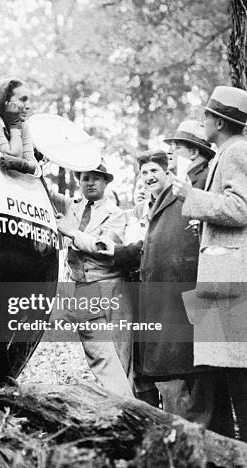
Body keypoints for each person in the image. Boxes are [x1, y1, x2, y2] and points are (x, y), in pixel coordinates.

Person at [100, 150, 219, 426]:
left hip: (183, 296)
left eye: (155, 171)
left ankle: (190, 433)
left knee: (188, 370)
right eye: (144, 173)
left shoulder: (181, 197)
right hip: (159, 300)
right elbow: (147, 247)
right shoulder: (152, 206)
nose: (149, 177)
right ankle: (177, 431)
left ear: (168, 172)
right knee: (169, 372)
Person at [173, 85, 247, 441]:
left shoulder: (237, 152)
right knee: (218, 373)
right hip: (222, 279)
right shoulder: (225, 152)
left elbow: (240, 208)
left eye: (205, 115)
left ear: (218, 120)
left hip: (231, 279)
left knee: (237, 374)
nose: (201, 120)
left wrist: (194, 198)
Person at [49, 163, 133, 398]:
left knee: (119, 354)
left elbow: (102, 247)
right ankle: (116, 408)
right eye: (85, 178)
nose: (90, 183)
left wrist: (71, 232)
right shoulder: (70, 206)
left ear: (106, 182)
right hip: (82, 288)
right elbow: (43, 189)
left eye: (97, 178)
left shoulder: (116, 214)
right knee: (98, 355)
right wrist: (33, 161)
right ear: (79, 181)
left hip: (111, 287)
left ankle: (129, 409)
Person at [0, 78, 41, 176]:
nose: (28, 106)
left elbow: (35, 168)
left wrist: (24, 165)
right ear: (5, 101)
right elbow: (11, 158)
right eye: (23, 99)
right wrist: (14, 126)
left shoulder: (23, 125)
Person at [164, 120, 215, 189]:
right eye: (172, 146)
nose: (169, 152)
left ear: (193, 152)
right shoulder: (181, 179)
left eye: (177, 147)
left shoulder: (209, 179)